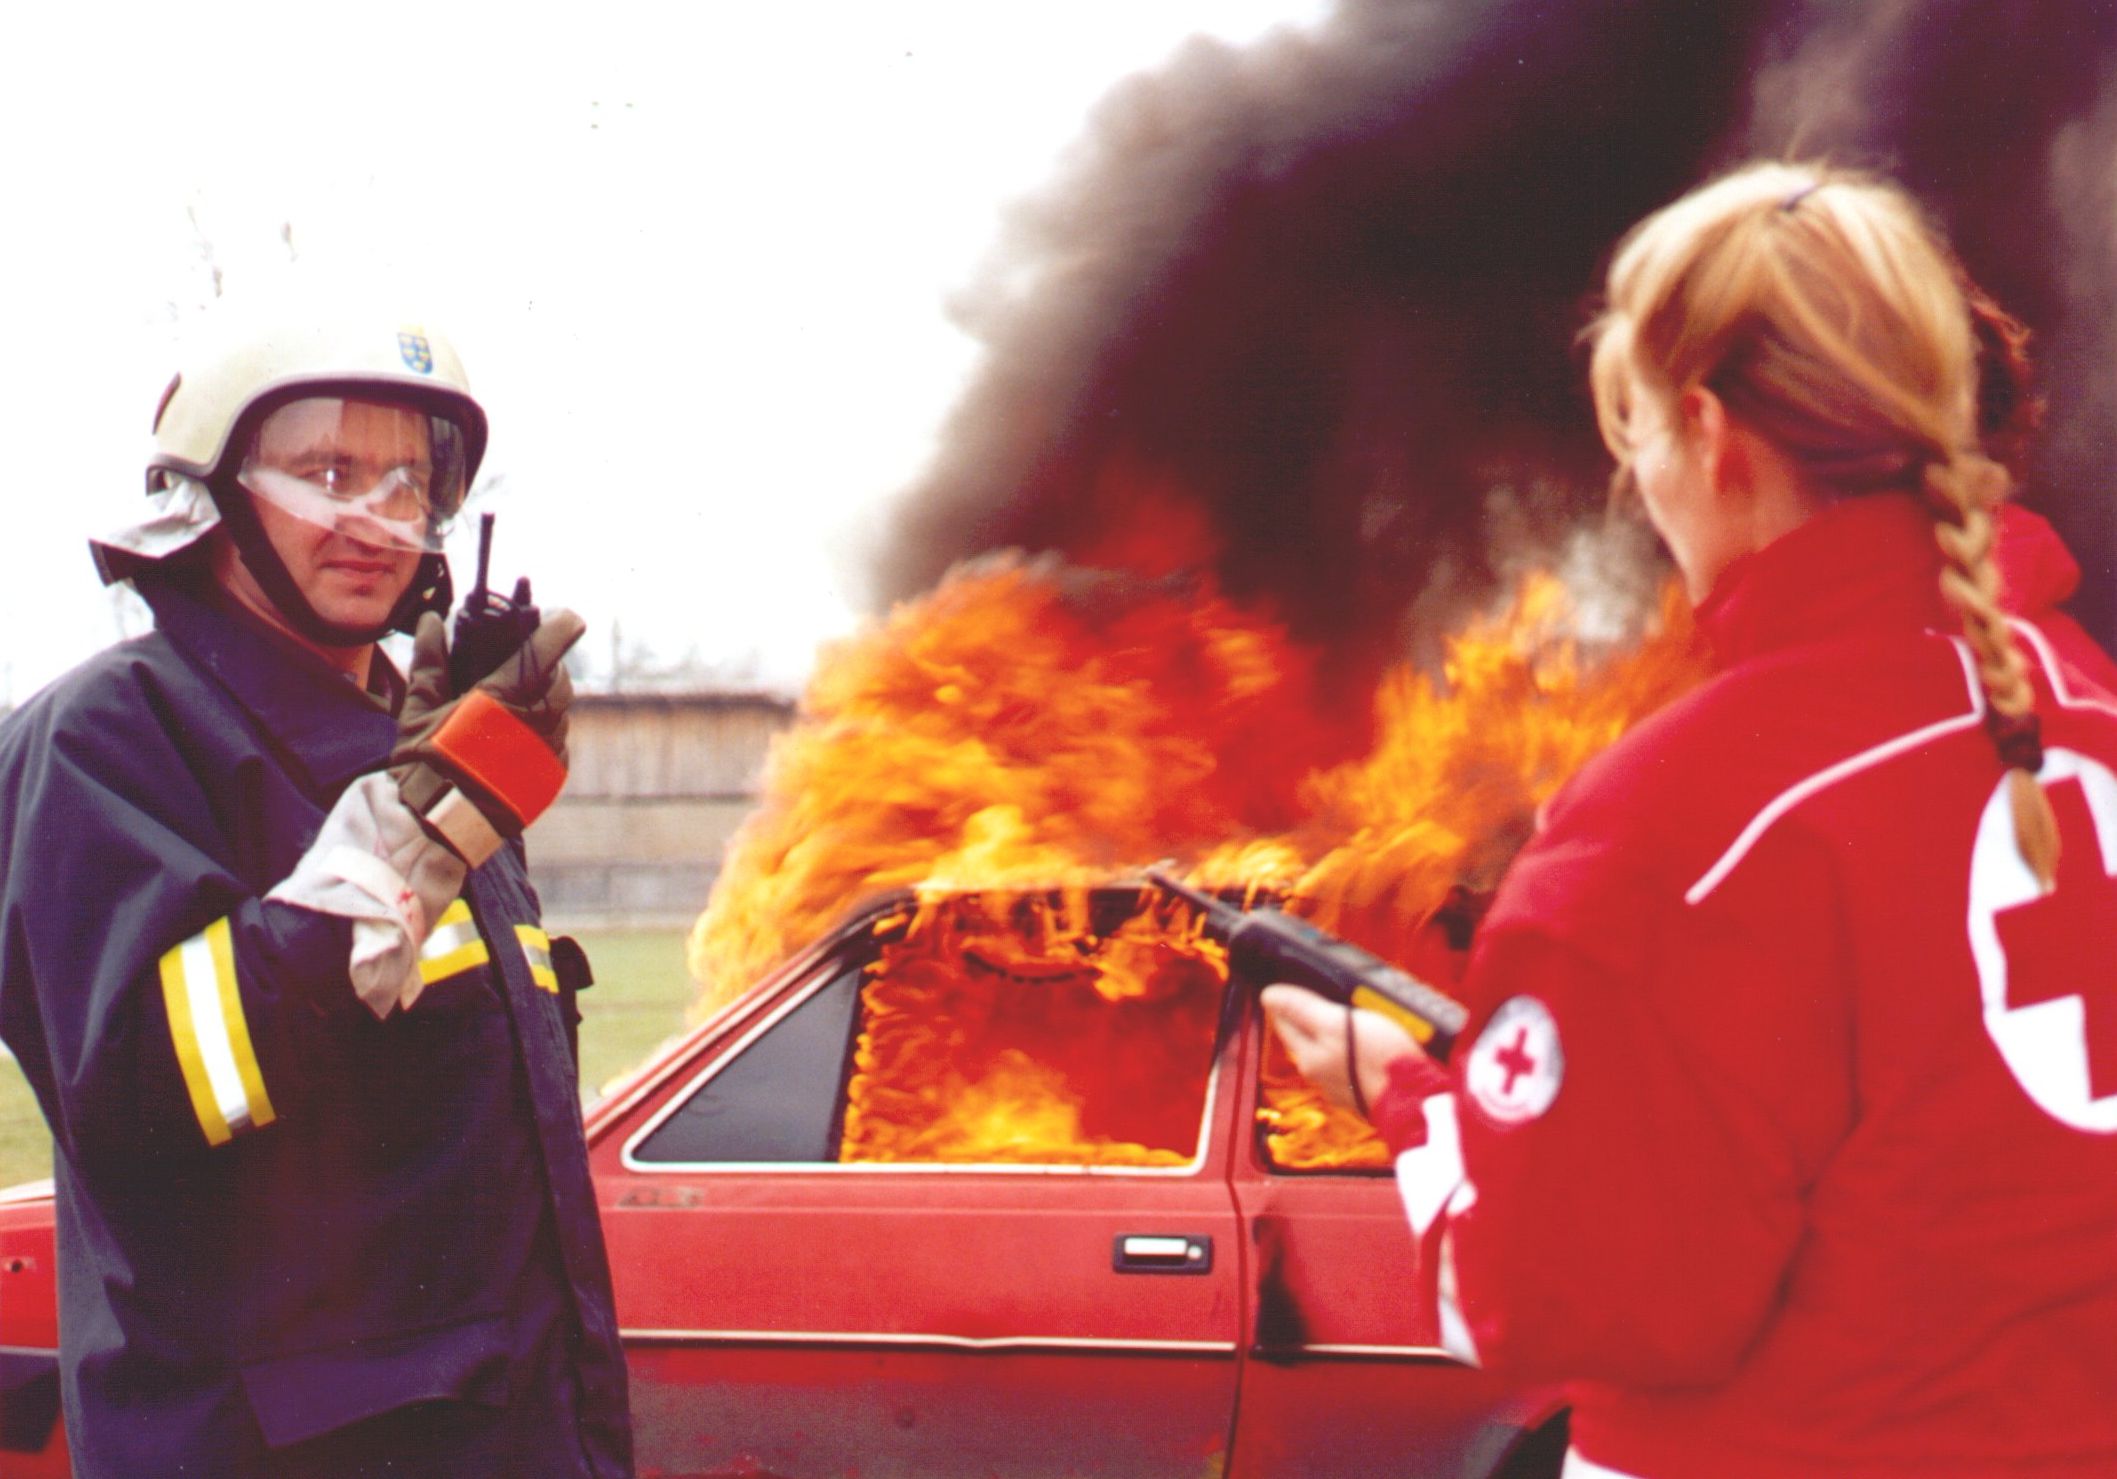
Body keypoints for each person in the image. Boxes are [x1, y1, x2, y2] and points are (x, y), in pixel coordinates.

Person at [1266, 161, 2117, 1478]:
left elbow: (1545, 1305)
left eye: (1638, 437)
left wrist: (1408, 1099)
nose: (1642, 487)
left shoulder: (1677, 828)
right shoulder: (2085, 704)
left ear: (1710, 436)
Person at [0, 299, 634, 1477]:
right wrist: (417, 835)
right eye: (328, 474)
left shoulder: (416, 749)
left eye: (410, 484)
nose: (374, 521)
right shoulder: (108, 738)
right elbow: (148, 1092)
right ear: (211, 494)